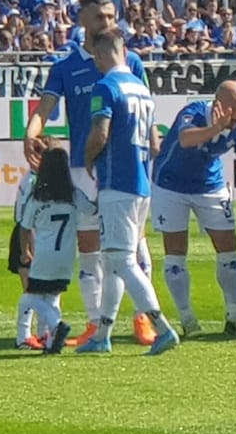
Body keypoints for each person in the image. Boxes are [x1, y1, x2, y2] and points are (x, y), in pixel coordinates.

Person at [23, 0, 155, 346]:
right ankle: (96, 323)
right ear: (81, 19)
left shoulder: (130, 61)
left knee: (135, 245)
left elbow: (147, 114)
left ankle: (143, 317)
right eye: (99, 16)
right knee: (90, 247)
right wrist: (30, 134)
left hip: (123, 168)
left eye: (111, 16)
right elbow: (44, 108)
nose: (107, 23)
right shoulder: (65, 67)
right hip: (83, 168)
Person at [76, 30, 179, 356]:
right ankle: (103, 334)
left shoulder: (105, 87)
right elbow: (154, 142)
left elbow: (99, 132)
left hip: (117, 183)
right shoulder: (142, 89)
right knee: (114, 257)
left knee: (122, 260)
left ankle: (162, 327)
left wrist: (89, 159)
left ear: (102, 55)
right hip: (141, 184)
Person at [152, 80, 236, 337]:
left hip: (211, 185)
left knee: (228, 247)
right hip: (170, 184)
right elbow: (185, 139)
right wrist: (214, 129)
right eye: (235, 109)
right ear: (219, 105)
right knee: (175, 252)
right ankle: (187, 319)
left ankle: (234, 314)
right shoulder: (195, 111)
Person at [16, 146, 78, 356]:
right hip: (67, 256)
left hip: (44, 255)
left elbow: (24, 227)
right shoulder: (75, 196)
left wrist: (25, 251)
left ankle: (52, 326)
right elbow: (93, 210)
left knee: (30, 297)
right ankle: (52, 342)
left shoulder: (38, 198)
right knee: (52, 297)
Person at [10, 160, 43, 350]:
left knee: (42, 289)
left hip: (32, 233)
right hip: (28, 235)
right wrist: (28, 249)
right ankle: (24, 336)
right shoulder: (33, 181)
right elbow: (26, 221)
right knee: (32, 289)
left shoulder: (31, 178)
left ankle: (41, 333)